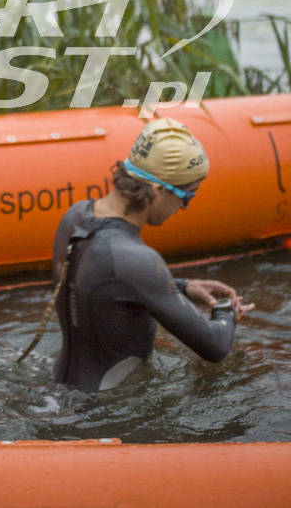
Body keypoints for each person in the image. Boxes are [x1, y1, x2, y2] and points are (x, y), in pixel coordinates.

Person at [51, 117, 254, 392]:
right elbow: (214, 347)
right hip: (106, 411)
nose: (184, 208)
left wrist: (183, 287)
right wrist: (227, 311)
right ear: (158, 190)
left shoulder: (74, 216)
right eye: (187, 197)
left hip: (60, 386)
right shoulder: (136, 260)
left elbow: (104, 292)